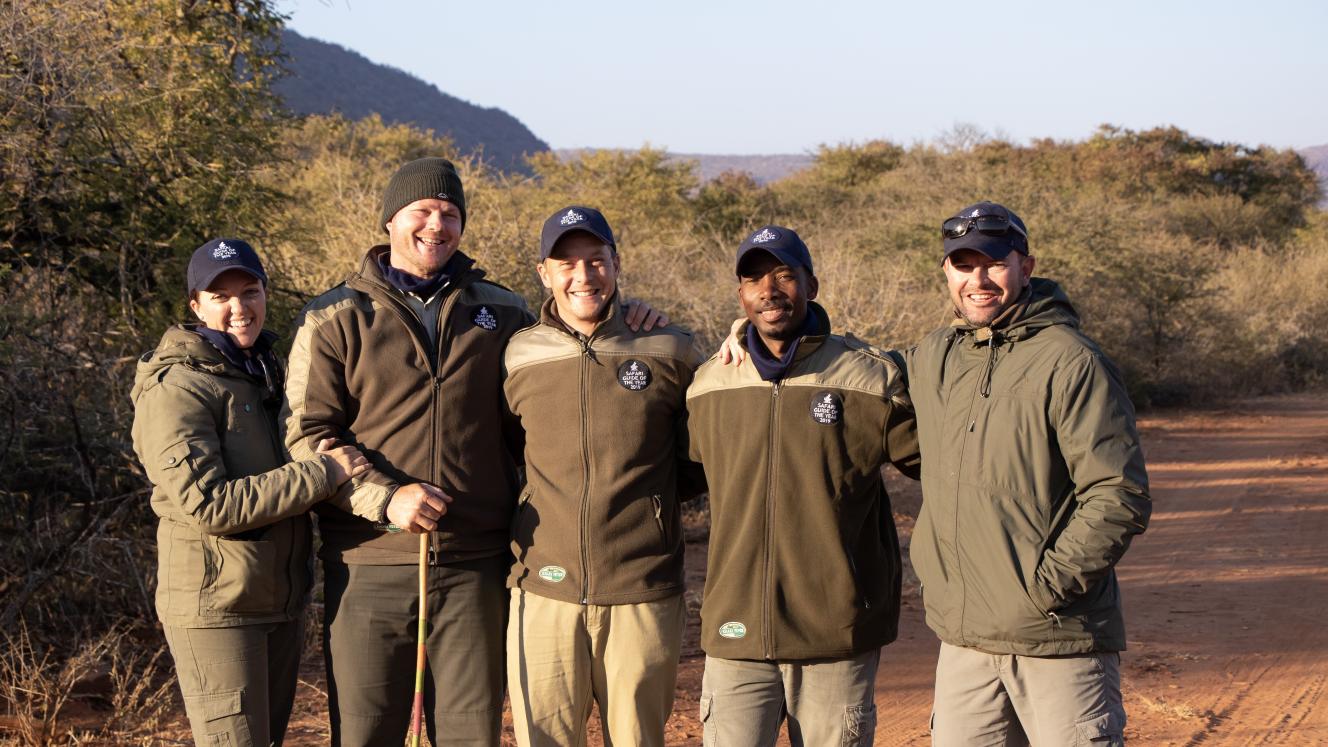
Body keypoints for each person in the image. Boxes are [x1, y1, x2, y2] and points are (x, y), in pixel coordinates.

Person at [280, 159, 666, 745]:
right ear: (390, 221)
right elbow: (307, 435)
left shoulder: (503, 311)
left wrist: (630, 319)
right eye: (422, 211)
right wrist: (386, 499)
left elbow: (564, 364)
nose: (437, 225)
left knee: (471, 733)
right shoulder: (334, 315)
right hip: (369, 560)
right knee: (365, 732)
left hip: (478, 564)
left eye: (450, 213)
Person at [906, 201, 1150, 746]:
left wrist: (1042, 591)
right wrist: (747, 337)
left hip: (1056, 638)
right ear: (946, 272)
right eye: (963, 265)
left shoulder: (1072, 361)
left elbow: (1118, 493)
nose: (978, 280)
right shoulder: (935, 356)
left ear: (1026, 266)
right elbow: (852, 375)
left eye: (994, 263)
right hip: (964, 641)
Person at [686, 225, 920, 747]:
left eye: (784, 275)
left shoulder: (868, 378)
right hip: (735, 632)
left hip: (834, 633)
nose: (769, 290)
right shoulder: (709, 384)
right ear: (740, 295)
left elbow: (945, 467)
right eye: (754, 280)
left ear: (811, 285)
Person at [131, 238, 368, 746]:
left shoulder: (265, 372)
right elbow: (209, 504)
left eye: (250, 291)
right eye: (221, 296)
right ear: (195, 306)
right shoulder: (177, 387)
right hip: (218, 606)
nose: (239, 307)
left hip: (278, 600)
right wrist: (323, 473)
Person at [502, 206, 705, 746]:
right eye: (566, 264)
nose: (583, 276)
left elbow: (705, 452)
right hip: (542, 589)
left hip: (642, 588)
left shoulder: (670, 347)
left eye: (596, 260)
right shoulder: (518, 354)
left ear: (616, 264)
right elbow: (502, 453)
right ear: (544, 273)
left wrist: (652, 508)